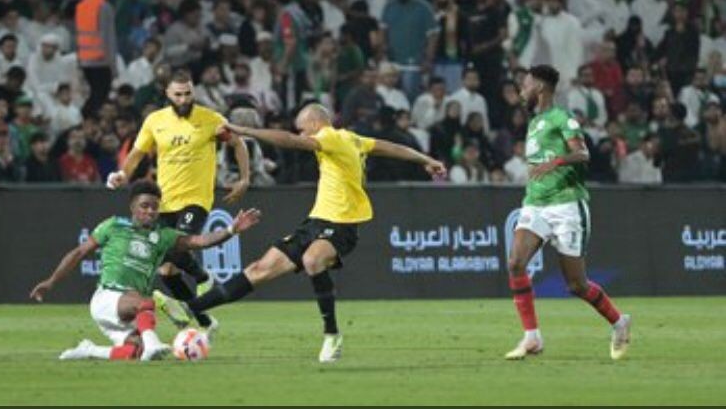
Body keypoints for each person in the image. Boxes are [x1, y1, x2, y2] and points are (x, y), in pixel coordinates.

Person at [156, 103, 446, 363]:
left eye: (302, 128)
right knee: (258, 270)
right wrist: (425, 159)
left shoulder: (330, 137)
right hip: (315, 223)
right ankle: (191, 309)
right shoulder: (352, 139)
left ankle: (332, 335)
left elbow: (290, 141)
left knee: (312, 260)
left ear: (316, 123)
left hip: (342, 225)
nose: (301, 133)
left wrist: (244, 130)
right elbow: (388, 147)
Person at [29, 180, 261, 361]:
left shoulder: (163, 236)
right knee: (147, 302)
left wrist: (231, 229)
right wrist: (51, 281)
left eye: (154, 207)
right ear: (132, 207)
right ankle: (152, 344)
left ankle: (89, 350)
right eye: (144, 206)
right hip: (108, 298)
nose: (150, 211)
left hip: (130, 311)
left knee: (133, 352)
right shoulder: (113, 226)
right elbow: (79, 253)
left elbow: (199, 241)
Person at [107, 71, 251, 332]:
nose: (184, 99)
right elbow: (137, 153)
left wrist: (244, 178)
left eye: (188, 94)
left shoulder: (211, 119)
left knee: (177, 246)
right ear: (168, 94)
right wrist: (122, 174)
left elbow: (238, 144)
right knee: (167, 272)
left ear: (193, 92)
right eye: (178, 95)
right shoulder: (155, 121)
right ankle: (206, 322)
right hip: (165, 202)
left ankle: (202, 276)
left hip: (196, 199)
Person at [505, 64, 631, 361]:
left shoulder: (563, 118)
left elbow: (583, 153)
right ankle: (532, 337)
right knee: (515, 263)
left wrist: (556, 162)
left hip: (566, 205)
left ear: (539, 87)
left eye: (525, 85)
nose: (521, 91)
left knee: (576, 285)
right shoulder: (535, 122)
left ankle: (619, 321)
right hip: (536, 203)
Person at [75, 0, 118, 116]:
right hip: (101, 60)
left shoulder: (82, 5)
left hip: (85, 59)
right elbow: (108, 37)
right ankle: (87, 120)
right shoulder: (104, 6)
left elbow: (79, 34)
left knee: (93, 94)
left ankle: (87, 119)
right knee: (100, 97)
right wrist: (113, 65)